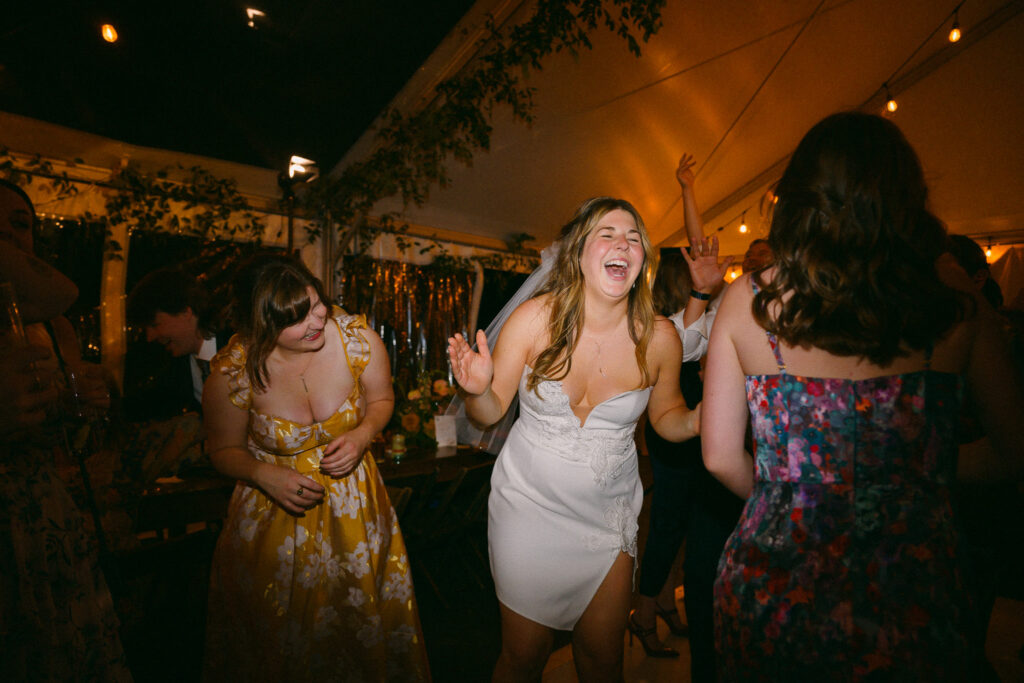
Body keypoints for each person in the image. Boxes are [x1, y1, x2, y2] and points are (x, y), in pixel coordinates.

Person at [702, 111, 1024, 679]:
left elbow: (720, 456)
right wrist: (912, 469)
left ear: (798, 196)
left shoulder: (746, 300)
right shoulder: (954, 297)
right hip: (913, 591)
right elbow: (1014, 450)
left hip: (776, 585)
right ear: (904, 196)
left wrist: (793, 489)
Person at [447, 197, 701, 681]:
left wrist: (696, 421)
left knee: (604, 661)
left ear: (641, 260)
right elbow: (488, 412)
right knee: (524, 656)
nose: (622, 244)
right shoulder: (533, 322)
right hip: (528, 508)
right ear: (579, 252)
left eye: (633, 238)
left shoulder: (660, 338)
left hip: (608, 519)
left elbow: (666, 414)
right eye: (607, 233)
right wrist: (476, 389)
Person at [202, 254, 429, 681]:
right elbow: (223, 450)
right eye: (297, 318)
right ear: (260, 325)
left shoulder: (357, 341)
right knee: (278, 635)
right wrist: (263, 474)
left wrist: (363, 435)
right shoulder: (232, 375)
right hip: (272, 517)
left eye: (316, 304)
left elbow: (381, 400)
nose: (316, 321)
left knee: (357, 623)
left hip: (356, 512)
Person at [0, 178, 132, 681]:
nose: (9, 235)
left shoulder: (52, 324)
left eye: (21, 224)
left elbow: (63, 292)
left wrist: (85, 406)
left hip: (45, 511)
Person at [125, 266, 228, 420]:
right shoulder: (175, 365)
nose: (150, 337)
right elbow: (149, 405)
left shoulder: (241, 350)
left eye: (154, 325)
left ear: (186, 312)